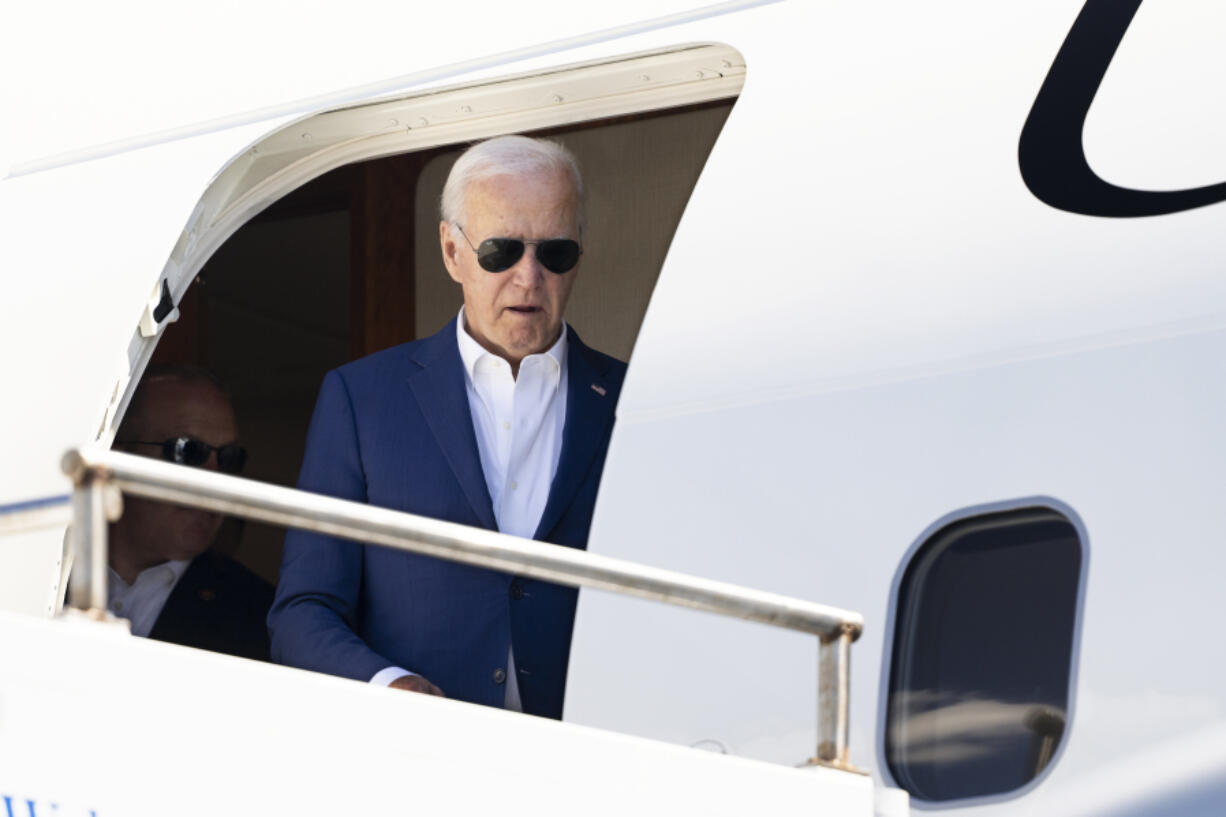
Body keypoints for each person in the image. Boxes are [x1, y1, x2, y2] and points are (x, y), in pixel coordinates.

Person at [269, 135, 626, 719]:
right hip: (417, 763)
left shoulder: (634, 402)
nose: (529, 277)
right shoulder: (361, 399)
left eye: (554, 253)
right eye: (501, 251)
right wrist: (388, 686)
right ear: (451, 251)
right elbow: (303, 610)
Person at [107, 365, 274, 661]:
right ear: (118, 458)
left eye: (228, 458)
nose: (213, 478)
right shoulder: (35, 565)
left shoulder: (263, 617)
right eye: (187, 451)